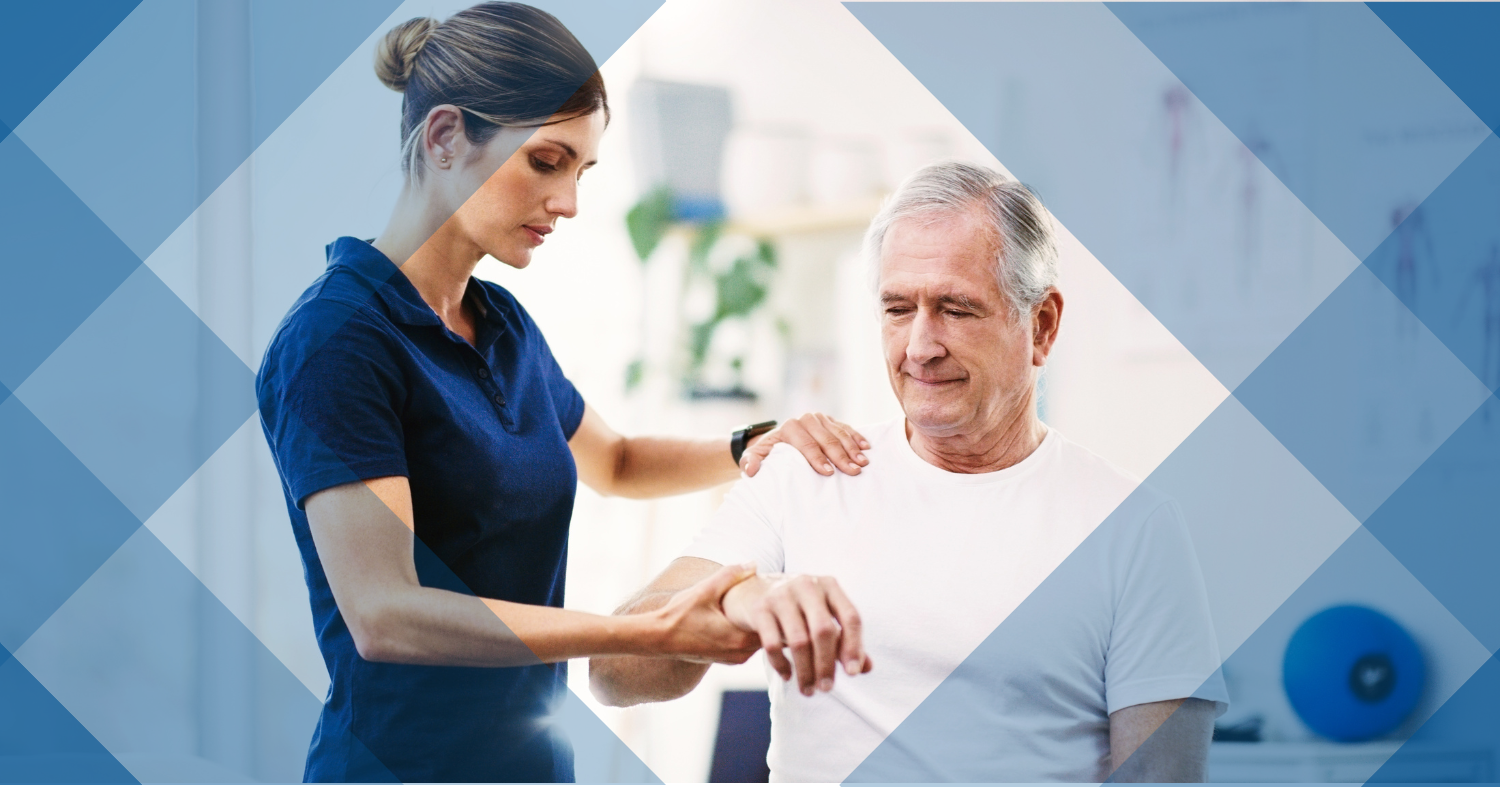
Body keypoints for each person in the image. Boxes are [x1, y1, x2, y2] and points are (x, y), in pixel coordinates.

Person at [254, 4, 871, 783]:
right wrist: (642, 633)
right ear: (445, 138)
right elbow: (385, 615)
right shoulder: (338, 340)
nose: (570, 202)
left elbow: (615, 461)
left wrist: (752, 443)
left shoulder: (500, 321)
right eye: (546, 161)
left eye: (582, 171)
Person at [590, 162, 1228, 782]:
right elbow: (611, 671)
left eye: (956, 308)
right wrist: (740, 600)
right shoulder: (807, 474)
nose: (920, 348)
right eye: (898, 309)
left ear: (1042, 324)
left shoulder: (1135, 529)